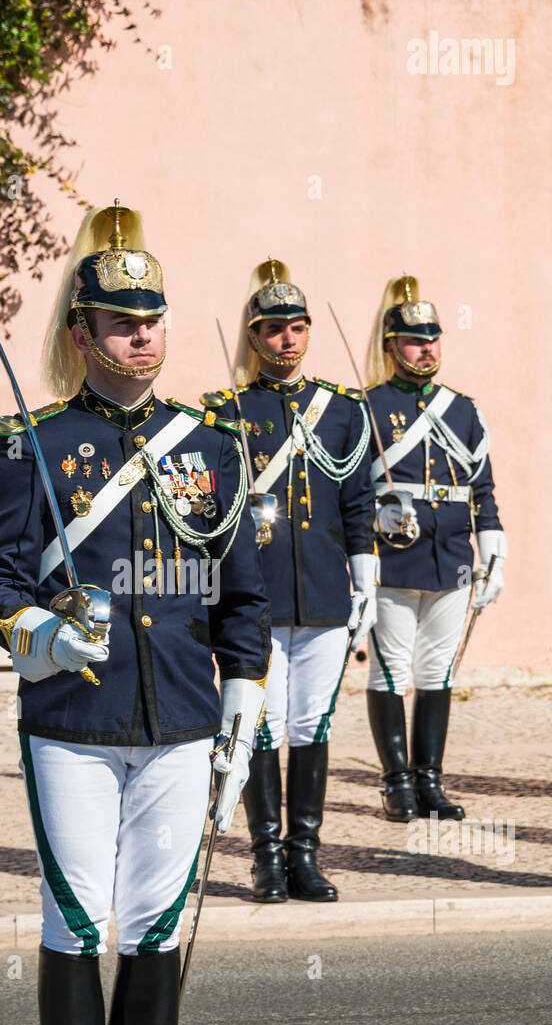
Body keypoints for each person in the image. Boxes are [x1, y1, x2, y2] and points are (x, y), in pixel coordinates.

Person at [0, 204, 271, 1025]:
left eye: (153, 318)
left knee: (155, 923)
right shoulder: (34, 447)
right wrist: (45, 638)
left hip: (183, 718)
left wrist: (248, 689)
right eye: (119, 321)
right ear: (81, 335)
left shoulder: (211, 442)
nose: (142, 334)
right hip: (75, 725)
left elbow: (242, 585)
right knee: (77, 916)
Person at [203, 262, 376, 904]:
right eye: (273, 330)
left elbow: (357, 501)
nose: (287, 340)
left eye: (297, 327)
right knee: (262, 724)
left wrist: (366, 580)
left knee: (312, 726)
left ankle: (305, 855)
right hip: (259, 600)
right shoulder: (226, 414)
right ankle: (265, 858)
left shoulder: (341, 412)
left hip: (327, 596)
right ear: (254, 338)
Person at [364, 275, 506, 821]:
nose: (427, 348)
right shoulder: (369, 406)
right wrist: (376, 519)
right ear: (392, 346)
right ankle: (397, 783)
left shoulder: (464, 410)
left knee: (438, 672)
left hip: (451, 559)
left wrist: (493, 551)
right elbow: (354, 491)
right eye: (414, 340)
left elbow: (483, 489)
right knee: (391, 671)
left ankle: (430, 780)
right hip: (392, 559)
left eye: (433, 338)